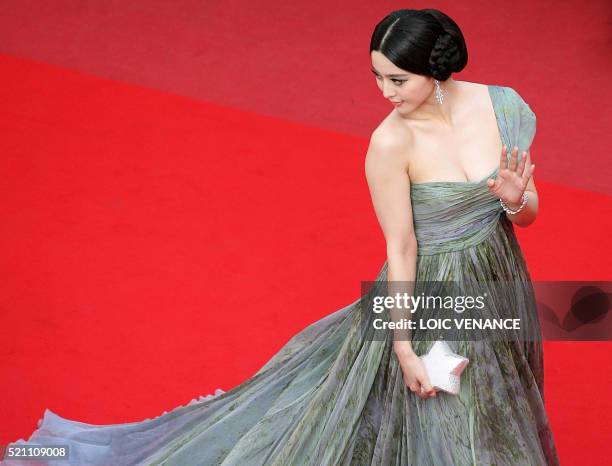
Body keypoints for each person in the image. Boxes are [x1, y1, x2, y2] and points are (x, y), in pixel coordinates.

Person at [2, 8, 561, 466]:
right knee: (450, 432)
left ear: (436, 70)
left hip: (496, 282)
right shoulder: (390, 144)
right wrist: (402, 347)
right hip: (426, 299)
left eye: (397, 79)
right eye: (376, 77)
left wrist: (514, 198)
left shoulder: (502, 106)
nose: (384, 93)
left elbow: (526, 214)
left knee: (495, 411)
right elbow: (401, 249)